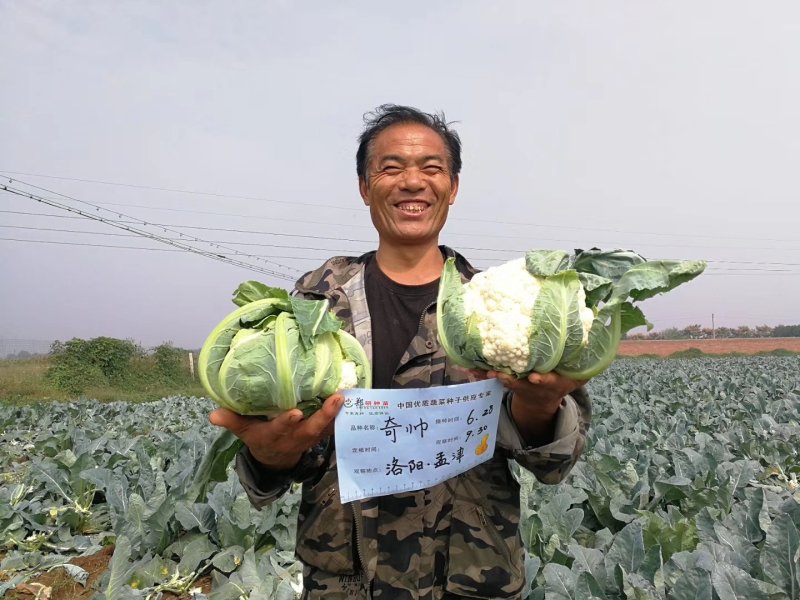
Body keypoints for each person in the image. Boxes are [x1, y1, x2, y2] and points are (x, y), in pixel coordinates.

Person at [210, 104, 592, 600]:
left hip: (472, 577)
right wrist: (270, 456)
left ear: (453, 188)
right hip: (345, 580)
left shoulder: (494, 304)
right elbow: (279, 450)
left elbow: (554, 464)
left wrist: (541, 411)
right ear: (365, 186)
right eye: (391, 168)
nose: (413, 182)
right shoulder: (313, 304)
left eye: (431, 168)